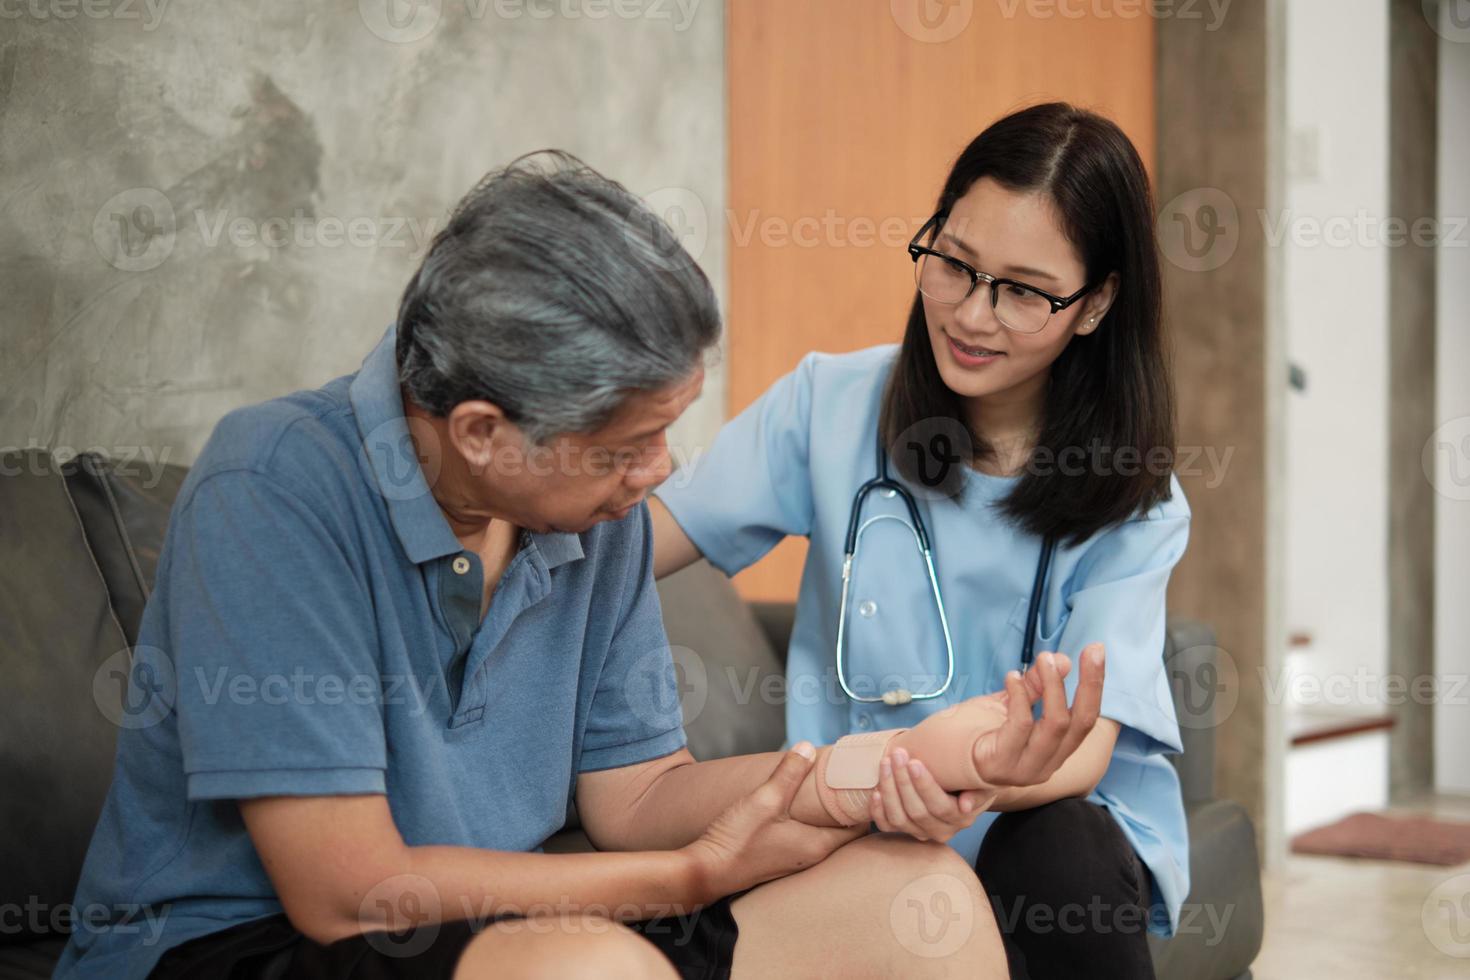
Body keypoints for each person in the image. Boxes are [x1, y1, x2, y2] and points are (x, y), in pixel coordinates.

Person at [55, 151, 1104, 980]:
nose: (659, 475)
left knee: (912, 902)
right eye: (625, 446)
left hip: (523, 922)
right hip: (247, 946)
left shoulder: (586, 519)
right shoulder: (275, 487)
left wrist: (866, 770)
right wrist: (686, 878)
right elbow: (348, 892)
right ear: (481, 431)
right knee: (595, 966)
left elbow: (638, 793)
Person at [652, 102, 1191, 980]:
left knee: (1064, 851)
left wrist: (965, 776)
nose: (972, 315)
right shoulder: (829, 405)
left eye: (1022, 290)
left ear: (1093, 305)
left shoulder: (1135, 495)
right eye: (954, 264)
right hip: (857, 813)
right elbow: (644, 538)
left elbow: (1085, 743)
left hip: (1037, 821)